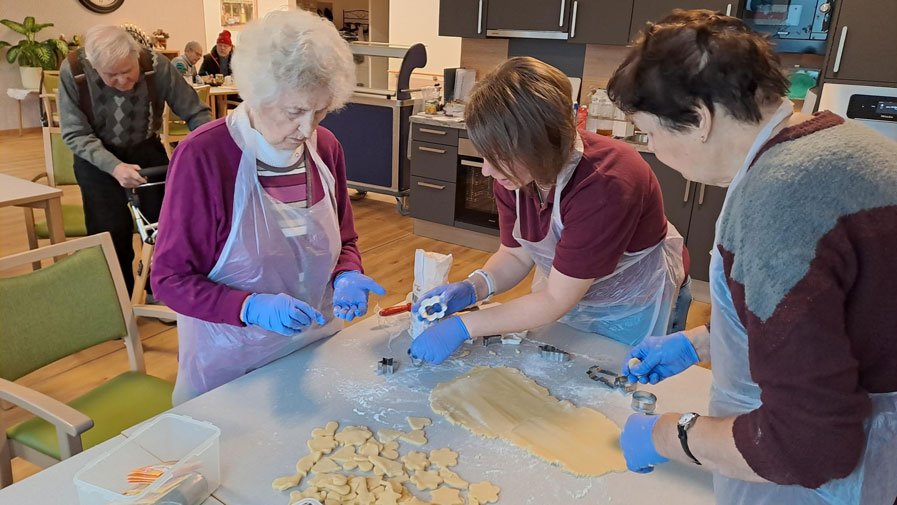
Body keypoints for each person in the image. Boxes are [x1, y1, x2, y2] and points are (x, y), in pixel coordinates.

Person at [608, 10, 897, 505]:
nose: (652, 151)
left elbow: (806, 446)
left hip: (854, 470)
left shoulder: (778, 202)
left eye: (650, 133)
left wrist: (666, 435)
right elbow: (824, 321)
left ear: (699, 119)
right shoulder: (845, 142)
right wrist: (701, 343)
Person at [151, 10, 385, 404]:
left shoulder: (325, 149)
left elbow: (344, 239)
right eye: (295, 112)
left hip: (314, 351)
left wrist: (346, 273)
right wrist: (249, 306)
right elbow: (169, 280)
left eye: (321, 110)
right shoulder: (205, 157)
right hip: (232, 365)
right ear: (258, 94)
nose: (308, 129)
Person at [409, 57, 690, 365]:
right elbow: (516, 255)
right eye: (484, 155)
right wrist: (474, 287)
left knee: (617, 385)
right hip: (564, 292)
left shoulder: (606, 182)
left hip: (632, 305)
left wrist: (464, 327)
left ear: (539, 145)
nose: (487, 171)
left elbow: (557, 298)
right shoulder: (515, 174)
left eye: (497, 156)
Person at [58, 25, 211, 294]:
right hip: (97, 158)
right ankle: (120, 301)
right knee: (109, 229)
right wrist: (114, 167)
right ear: (94, 66)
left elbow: (195, 112)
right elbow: (75, 133)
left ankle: (165, 289)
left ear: (136, 54)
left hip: (145, 147)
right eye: (111, 75)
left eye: (127, 72)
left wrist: (209, 147)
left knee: (166, 225)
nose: (122, 81)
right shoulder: (73, 72)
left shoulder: (157, 66)